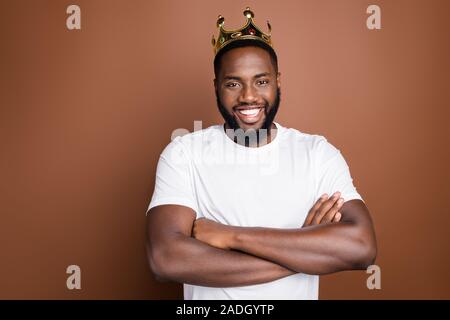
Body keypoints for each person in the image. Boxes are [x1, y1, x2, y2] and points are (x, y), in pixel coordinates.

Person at [145, 7, 377, 300]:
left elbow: (362, 247)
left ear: (278, 81)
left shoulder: (318, 154)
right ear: (216, 87)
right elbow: (166, 259)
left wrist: (230, 236)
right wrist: (305, 249)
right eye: (233, 83)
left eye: (261, 81)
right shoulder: (183, 154)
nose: (249, 96)